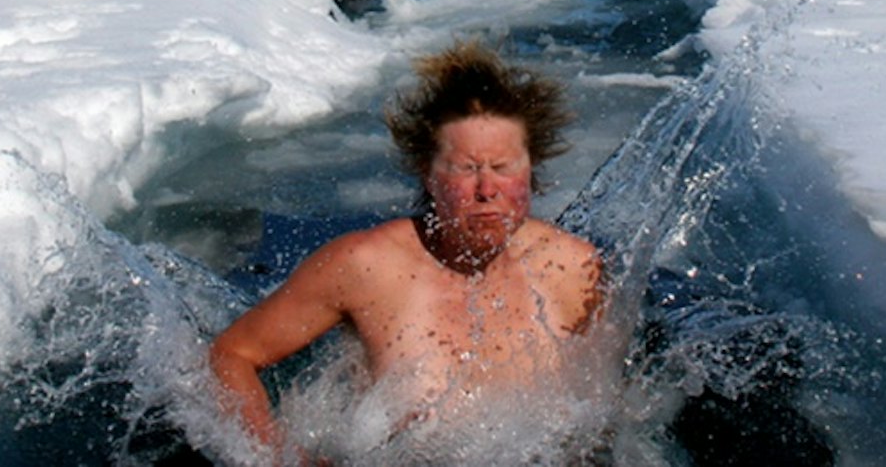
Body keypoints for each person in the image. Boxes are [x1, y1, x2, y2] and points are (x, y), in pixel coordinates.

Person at [209, 40, 605, 455]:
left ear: (531, 169)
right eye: (466, 169)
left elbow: (607, 414)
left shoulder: (575, 270)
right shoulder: (366, 266)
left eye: (504, 168)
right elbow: (232, 355)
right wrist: (281, 459)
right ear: (429, 174)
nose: (487, 189)